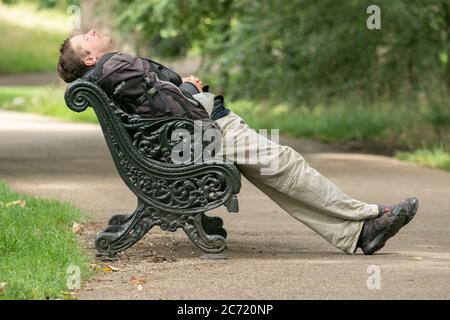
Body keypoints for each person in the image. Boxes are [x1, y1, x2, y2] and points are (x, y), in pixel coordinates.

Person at [57, 29, 419, 255]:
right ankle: (369, 216)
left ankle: (356, 234)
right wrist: (187, 88)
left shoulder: (113, 70)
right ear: (89, 58)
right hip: (202, 135)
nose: (91, 31)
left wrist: (179, 87)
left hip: (195, 133)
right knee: (287, 164)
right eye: (85, 37)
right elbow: (168, 107)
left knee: (279, 171)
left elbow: (154, 100)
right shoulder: (116, 67)